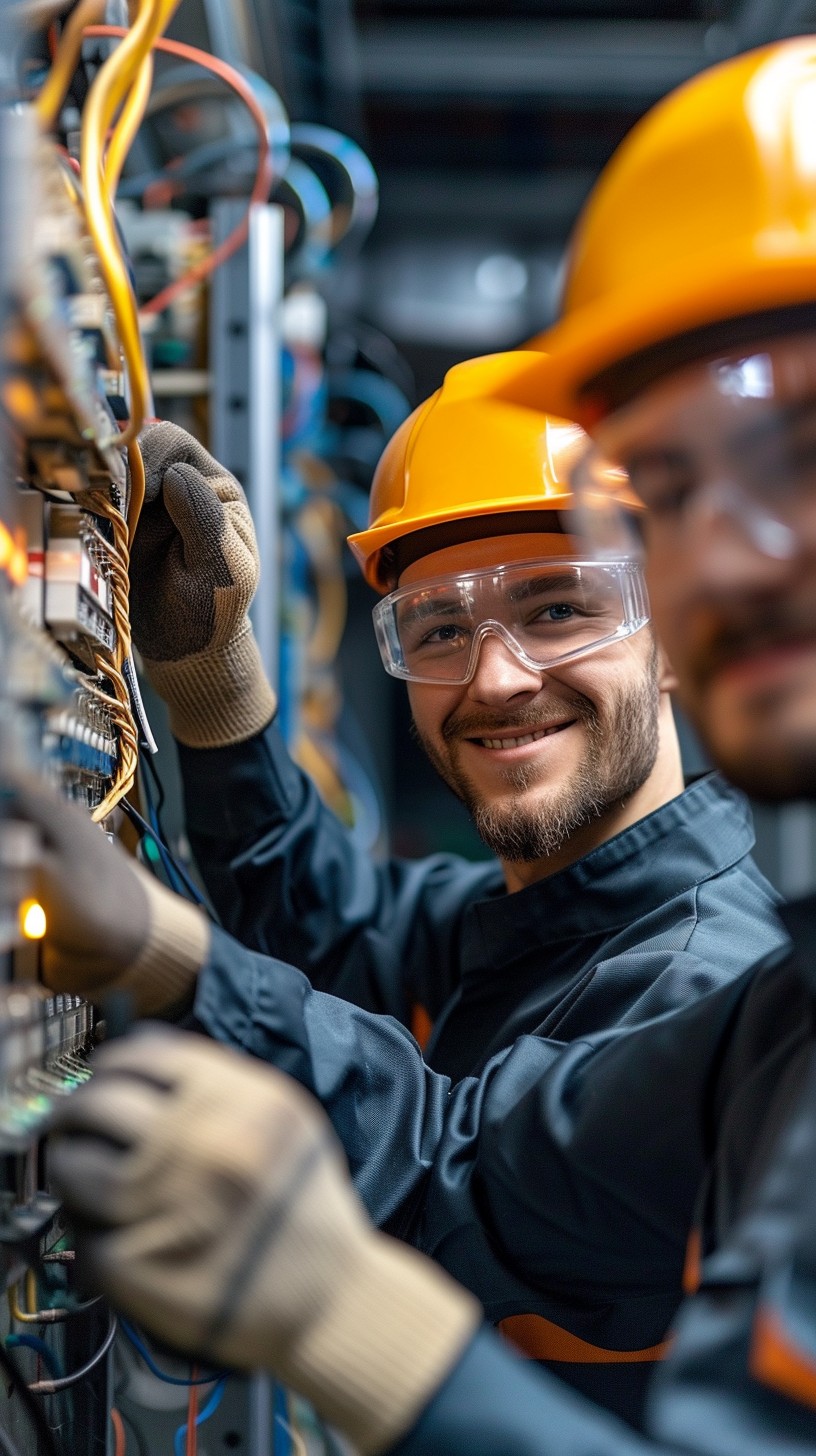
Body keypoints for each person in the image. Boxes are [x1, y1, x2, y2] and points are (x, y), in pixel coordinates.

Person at [46, 30, 816, 1456]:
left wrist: (341, 1311)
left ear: (653, 619)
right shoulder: (570, 915)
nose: (497, 677)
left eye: (561, 605)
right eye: (438, 627)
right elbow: (346, 940)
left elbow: (454, 1159)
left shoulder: (702, 970)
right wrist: (215, 696)